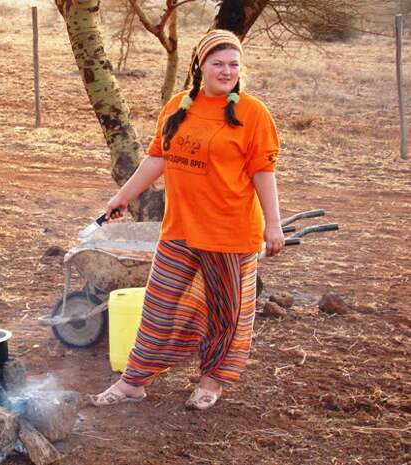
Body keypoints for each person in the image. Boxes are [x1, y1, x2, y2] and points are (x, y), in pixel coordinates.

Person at [89, 29, 284, 410]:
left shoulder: (253, 113)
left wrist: (273, 224)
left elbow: (264, 171)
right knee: (158, 307)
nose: (226, 71)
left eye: (233, 64)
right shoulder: (178, 106)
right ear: (200, 65)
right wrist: (122, 197)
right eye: (218, 63)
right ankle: (133, 382)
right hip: (180, 229)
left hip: (229, 233)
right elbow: (157, 158)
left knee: (225, 315)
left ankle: (210, 382)